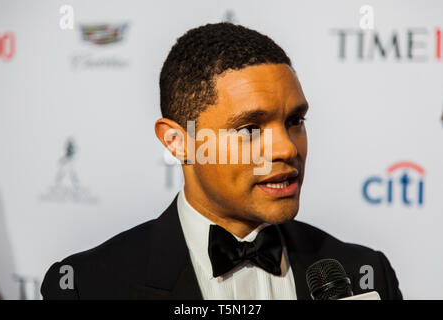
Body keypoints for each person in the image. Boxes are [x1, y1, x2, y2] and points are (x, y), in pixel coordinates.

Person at [41, 22, 402, 300]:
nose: (287, 149)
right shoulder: (87, 286)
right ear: (178, 141)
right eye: (249, 128)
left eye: (295, 121)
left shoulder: (365, 273)